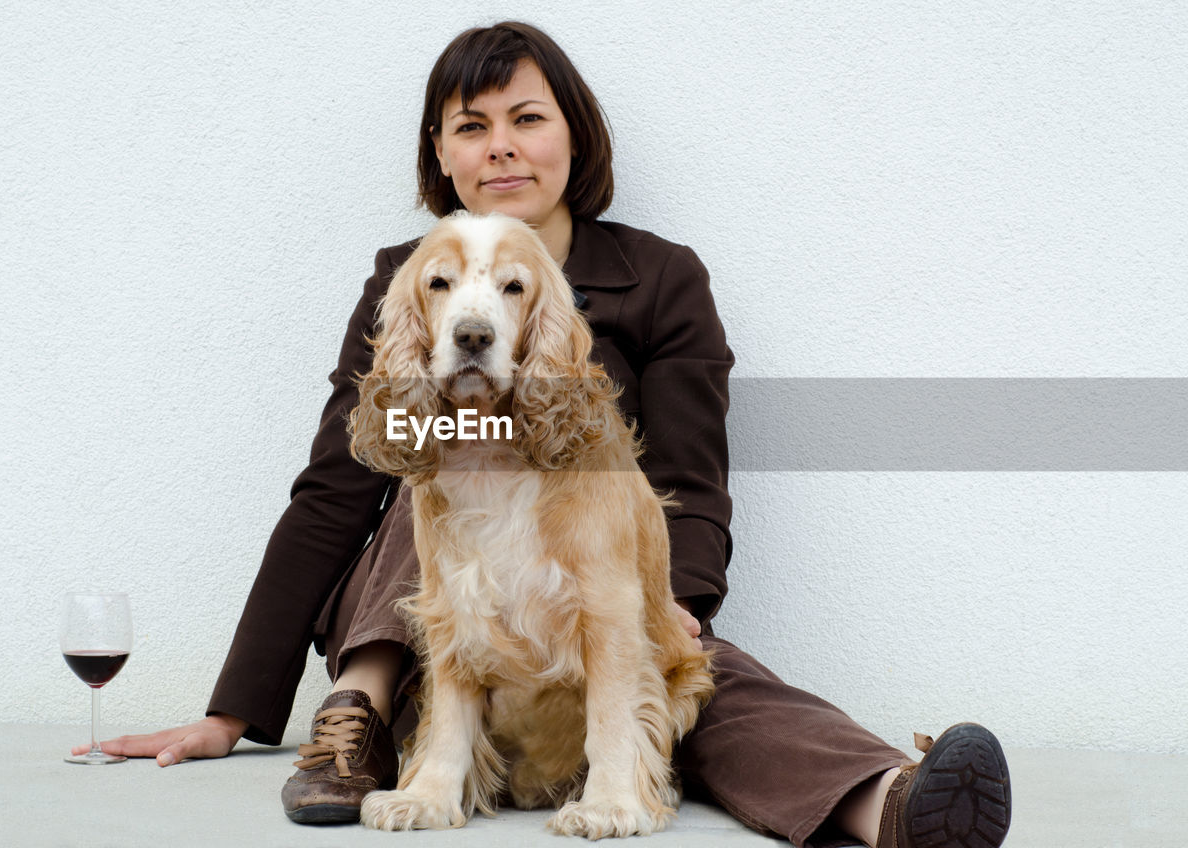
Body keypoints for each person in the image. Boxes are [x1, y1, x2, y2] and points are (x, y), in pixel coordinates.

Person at [81, 22, 1011, 848]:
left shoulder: (660, 279)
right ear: (440, 153)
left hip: (597, 590)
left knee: (702, 679)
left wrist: (673, 603)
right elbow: (339, 484)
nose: (501, 149)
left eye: (527, 118)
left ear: (574, 134)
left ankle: (887, 800)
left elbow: (690, 473)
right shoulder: (407, 277)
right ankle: (356, 710)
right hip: (434, 639)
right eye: (470, 126)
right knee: (440, 451)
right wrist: (233, 710)